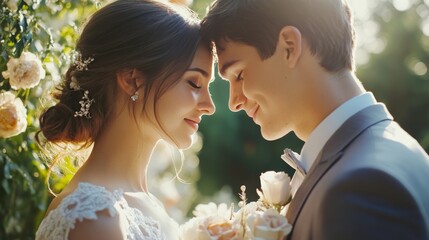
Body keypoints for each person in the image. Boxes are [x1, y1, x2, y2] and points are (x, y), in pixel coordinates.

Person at [201, 0, 429, 239]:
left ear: (289, 47)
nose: (233, 102)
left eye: (239, 74)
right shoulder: (385, 155)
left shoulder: (361, 189)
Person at [35, 0, 215, 239]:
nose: (209, 106)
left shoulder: (147, 206)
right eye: (194, 83)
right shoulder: (95, 219)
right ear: (132, 80)